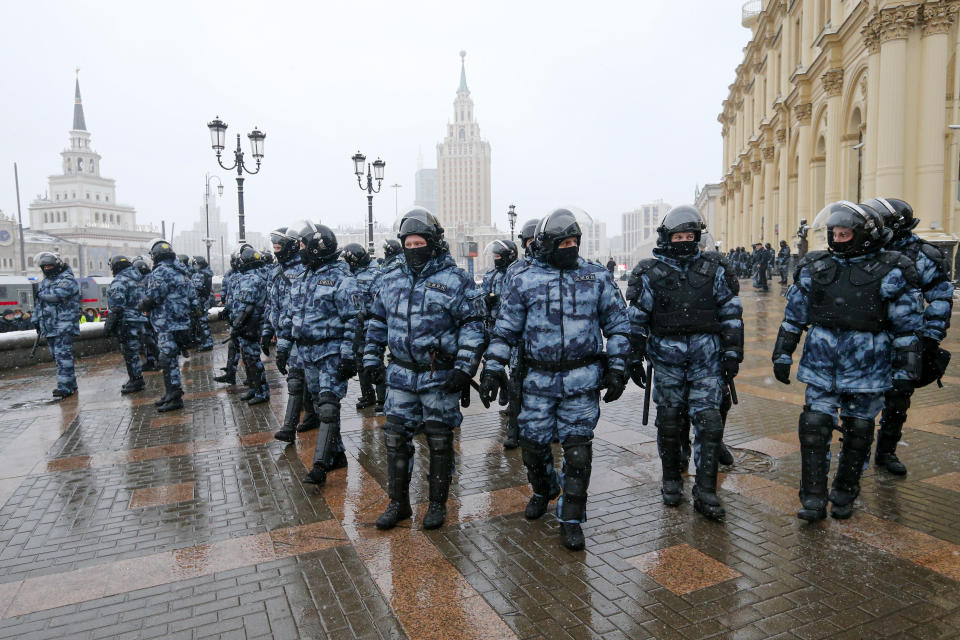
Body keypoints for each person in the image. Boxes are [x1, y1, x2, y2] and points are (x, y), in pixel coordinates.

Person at [480, 208, 629, 550]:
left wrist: (619, 365)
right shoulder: (523, 280)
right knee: (532, 447)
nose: (570, 246)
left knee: (578, 453)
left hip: (582, 379)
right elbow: (505, 331)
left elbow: (618, 325)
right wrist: (492, 367)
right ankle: (544, 488)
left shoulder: (595, 277)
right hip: (537, 381)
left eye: (574, 241)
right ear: (547, 245)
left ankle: (572, 516)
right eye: (563, 241)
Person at [773, 201, 922, 521]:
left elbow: (906, 327)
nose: (839, 239)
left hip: (868, 369)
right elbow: (794, 315)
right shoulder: (816, 267)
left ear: (864, 234)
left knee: (858, 431)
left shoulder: (891, 270)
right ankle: (813, 496)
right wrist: (783, 352)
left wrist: (906, 369)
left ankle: (845, 490)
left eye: (845, 233)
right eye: (835, 233)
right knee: (813, 428)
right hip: (821, 366)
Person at [364, 208, 487, 531]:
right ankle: (399, 503)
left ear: (433, 243)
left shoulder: (456, 280)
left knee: (439, 440)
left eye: (420, 242)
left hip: (439, 375)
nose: (414, 248)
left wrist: (465, 367)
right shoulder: (389, 278)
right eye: (409, 243)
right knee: (395, 439)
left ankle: (436, 504)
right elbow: (377, 321)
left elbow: (474, 325)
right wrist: (371, 357)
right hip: (402, 375)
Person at [626, 207, 742, 521]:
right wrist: (633, 358)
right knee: (670, 422)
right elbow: (636, 320)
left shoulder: (715, 268)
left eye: (689, 236)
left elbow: (731, 314)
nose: (684, 241)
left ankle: (705, 491)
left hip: (707, 362)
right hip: (666, 363)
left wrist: (733, 354)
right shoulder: (650, 272)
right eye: (678, 236)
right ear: (667, 237)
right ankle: (672, 478)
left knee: (709, 423)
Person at [864, 197, 954, 475]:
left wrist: (931, 338)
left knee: (899, 398)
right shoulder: (866, 249)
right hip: (867, 339)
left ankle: (887, 451)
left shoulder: (923, 254)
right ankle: (855, 454)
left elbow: (940, 297)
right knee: (860, 396)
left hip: (907, 341)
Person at [277, 222, 361, 485]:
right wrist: (283, 348)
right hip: (306, 353)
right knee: (317, 403)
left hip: (331, 352)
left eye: (303, 245)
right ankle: (337, 455)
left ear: (317, 247)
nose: (299, 249)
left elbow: (354, 320)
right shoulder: (303, 277)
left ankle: (320, 466)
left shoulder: (342, 279)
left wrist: (348, 355)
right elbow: (291, 315)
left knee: (328, 407)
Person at [265, 226, 318, 442]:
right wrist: (268, 330)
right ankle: (311, 414)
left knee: (298, 380)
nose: (277, 251)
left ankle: (289, 426)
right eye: (274, 247)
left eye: (280, 247)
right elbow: (272, 304)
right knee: (302, 380)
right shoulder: (275, 270)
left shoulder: (302, 271)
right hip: (284, 333)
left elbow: (293, 310)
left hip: (300, 333)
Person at [140, 240, 194, 412]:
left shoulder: (159, 273)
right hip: (181, 321)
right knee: (170, 358)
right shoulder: (181, 271)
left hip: (166, 323)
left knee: (167, 359)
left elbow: (153, 296)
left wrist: (143, 306)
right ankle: (171, 392)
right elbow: (191, 296)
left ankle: (174, 395)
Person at [341, 243, 384, 411]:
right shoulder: (351, 275)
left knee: (375, 363)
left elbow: (380, 303)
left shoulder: (375, 275)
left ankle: (383, 399)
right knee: (359, 362)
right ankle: (368, 395)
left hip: (370, 327)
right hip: (357, 328)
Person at [33, 252, 81, 398]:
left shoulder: (67, 279)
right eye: (44, 267)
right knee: (58, 357)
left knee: (62, 357)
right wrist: (36, 320)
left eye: (49, 266)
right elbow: (39, 305)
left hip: (62, 325)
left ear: (57, 265)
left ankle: (64, 387)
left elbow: (58, 296)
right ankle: (71, 384)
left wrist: (40, 295)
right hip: (49, 326)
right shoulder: (45, 282)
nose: (47, 269)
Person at [232, 245, 271, 405]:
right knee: (247, 358)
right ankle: (254, 389)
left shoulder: (251, 278)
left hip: (250, 324)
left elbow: (247, 306)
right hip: (249, 324)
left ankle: (262, 391)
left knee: (252, 359)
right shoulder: (256, 275)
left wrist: (237, 324)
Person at [104, 255, 148, 394]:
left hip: (127, 321)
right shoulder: (138, 278)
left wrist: (109, 325)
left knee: (130, 352)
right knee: (135, 351)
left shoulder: (119, 281)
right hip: (139, 319)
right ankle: (135, 378)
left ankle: (136, 380)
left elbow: (117, 306)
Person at [215, 253, 244, 385]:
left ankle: (256, 383)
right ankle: (230, 373)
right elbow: (228, 293)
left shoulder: (248, 275)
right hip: (234, 315)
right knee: (233, 345)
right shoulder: (230, 274)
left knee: (248, 351)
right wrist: (227, 309)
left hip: (244, 317)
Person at [132, 256, 160, 371]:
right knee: (152, 337)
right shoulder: (151, 278)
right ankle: (155, 359)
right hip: (152, 313)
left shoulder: (142, 281)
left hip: (147, 313)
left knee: (148, 338)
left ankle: (154, 360)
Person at [190, 256, 215, 351]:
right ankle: (204, 341)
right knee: (201, 322)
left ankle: (207, 343)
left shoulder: (200, 274)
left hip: (200, 301)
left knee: (201, 323)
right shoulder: (207, 272)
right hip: (204, 300)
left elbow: (196, 289)